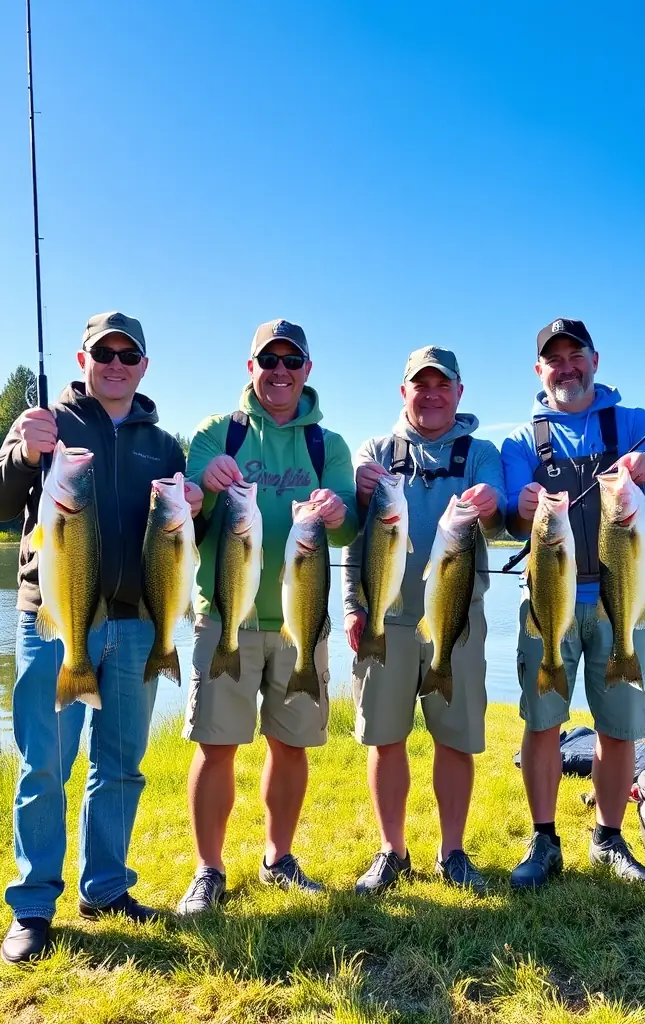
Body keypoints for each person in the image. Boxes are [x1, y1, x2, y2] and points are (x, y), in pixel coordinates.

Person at [0, 312, 204, 963]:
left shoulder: (164, 445)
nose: (116, 364)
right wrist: (24, 455)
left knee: (121, 766)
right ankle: (32, 906)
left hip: (137, 626)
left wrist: (195, 503)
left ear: (144, 366)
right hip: (54, 624)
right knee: (45, 765)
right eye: (105, 352)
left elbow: (183, 544)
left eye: (129, 355)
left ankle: (105, 888)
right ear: (84, 360)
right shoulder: (45, 424)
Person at [501, 317, 645, 888]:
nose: (566, 368)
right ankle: (544, 840)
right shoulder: (521, 440)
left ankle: (608, 838)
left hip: (622, 602)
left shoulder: (630, 422)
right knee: (543, 723)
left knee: (619, 728)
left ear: (595, 360)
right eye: (554, 359)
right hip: (548, 602)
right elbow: (511, 519)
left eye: (575, 355)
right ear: (539, 370)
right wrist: (522, 505)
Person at [177, 319, 358, 913]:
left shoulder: (327, 445)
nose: (280, 371)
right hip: (224, 618)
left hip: (301, 622)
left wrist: (338, 511)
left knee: (291, 745)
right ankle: (208, 870)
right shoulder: (217, 433)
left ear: (307, 370)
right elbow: (187, 514)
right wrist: (204, 484)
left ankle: (279, 859)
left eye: (291, 361)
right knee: (216, 745)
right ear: (250, 367)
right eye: (269, 360)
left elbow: (351, 527)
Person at [342, 346, 506, 894]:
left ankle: (452, 851)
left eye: (442, 385)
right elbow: (355, 538)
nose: (431, 394)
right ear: (403, 391)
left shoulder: (480, 453)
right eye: (421, 384)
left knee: (454, 739)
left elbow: (501, 520)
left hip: (456, 618)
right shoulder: (374, 452)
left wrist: (491, 503)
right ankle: (392, 851)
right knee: (385, 738)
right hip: (385, 619)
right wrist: (353, 605)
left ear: (459, 392)